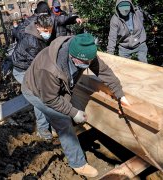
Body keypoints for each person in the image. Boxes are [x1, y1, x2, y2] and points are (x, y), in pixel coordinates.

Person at [21, 33, 130, 177]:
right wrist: (74, 113)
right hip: (35, 91)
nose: (87, 65)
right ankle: (78, 163)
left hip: (53, 89)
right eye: (83, 62)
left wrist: (119, 93)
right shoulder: (49, 69)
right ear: (72, 56)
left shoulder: (85, 53)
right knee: (63, 120)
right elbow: (50, 99)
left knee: (64, 107)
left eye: (89, 61)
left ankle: (54, 129)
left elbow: (104, 71)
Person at [11, 14, 55, 140]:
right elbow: (36, 66)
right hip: (22, 70)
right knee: (39, 97)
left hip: (28, 65)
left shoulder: (33, 30)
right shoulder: (33, 42)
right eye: (45, 30)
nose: (48, 33)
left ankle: (51, 123)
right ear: (37, 26)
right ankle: (43, 129)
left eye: (50, 30)